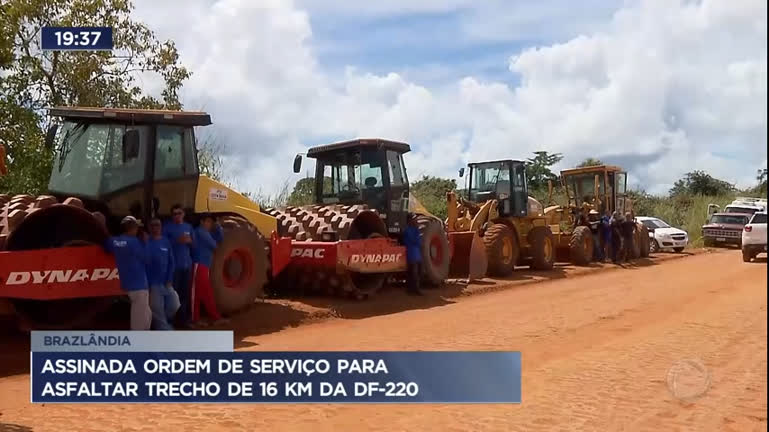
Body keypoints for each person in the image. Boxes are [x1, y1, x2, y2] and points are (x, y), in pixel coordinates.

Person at [104, 216, 151, 330]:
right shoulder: (135, 243)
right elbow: (147, 259)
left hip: (127, 283)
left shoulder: (115, 241)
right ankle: (136, 344)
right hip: (139, 284)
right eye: (137, 228)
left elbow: (107, 245)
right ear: (132, 228)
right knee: (139, 321)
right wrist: (145, 243)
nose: (138, 230)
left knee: (147, 314)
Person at [163, 204, 195, 328]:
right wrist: (177, 241)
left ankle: (184, 321)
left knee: (184, 295)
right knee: (172, 296)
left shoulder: (188, 227)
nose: (177, 216)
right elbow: (162, 243)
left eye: (179, 213)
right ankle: (170, 321)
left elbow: (194, 245)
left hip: (187, 266)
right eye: (174, 214)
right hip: (173, 268)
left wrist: (190, 241)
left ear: (183, 214)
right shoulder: (167, 227)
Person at [191, 213, 227, 326]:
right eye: (208, 221)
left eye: (211, 222)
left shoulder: (206, 232)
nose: (210, 224)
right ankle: (195, 320)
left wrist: (218, 227)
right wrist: (216, 230)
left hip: (204, 266)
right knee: (196, 295)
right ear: (202, 221)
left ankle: (214, 317)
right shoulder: (200, 232)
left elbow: (220, 239)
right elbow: (215, 245)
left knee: (206, 293)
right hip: (198, 265)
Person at [146, 218, 180, 330]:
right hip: (153, 284)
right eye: (153, 225)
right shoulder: (146, 243)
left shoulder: (166, 241)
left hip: (167, 283)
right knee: (157, 309)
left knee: (175, 305)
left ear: (161, 227)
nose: (155, 227)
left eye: (158, 225)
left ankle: (164, 325)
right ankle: (166, 332)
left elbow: (171, 261)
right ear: (149, 227)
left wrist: (170, 279)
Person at [402, 213, 423, 296]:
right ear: (409, 220)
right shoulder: (408, 230)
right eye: (414, 219)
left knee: (417, 272)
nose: (416, 220)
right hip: (412, 254)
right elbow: (415, 241)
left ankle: (413, 289)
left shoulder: (414, 229)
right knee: (414, 273)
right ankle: (414, 290)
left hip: (416, 254)